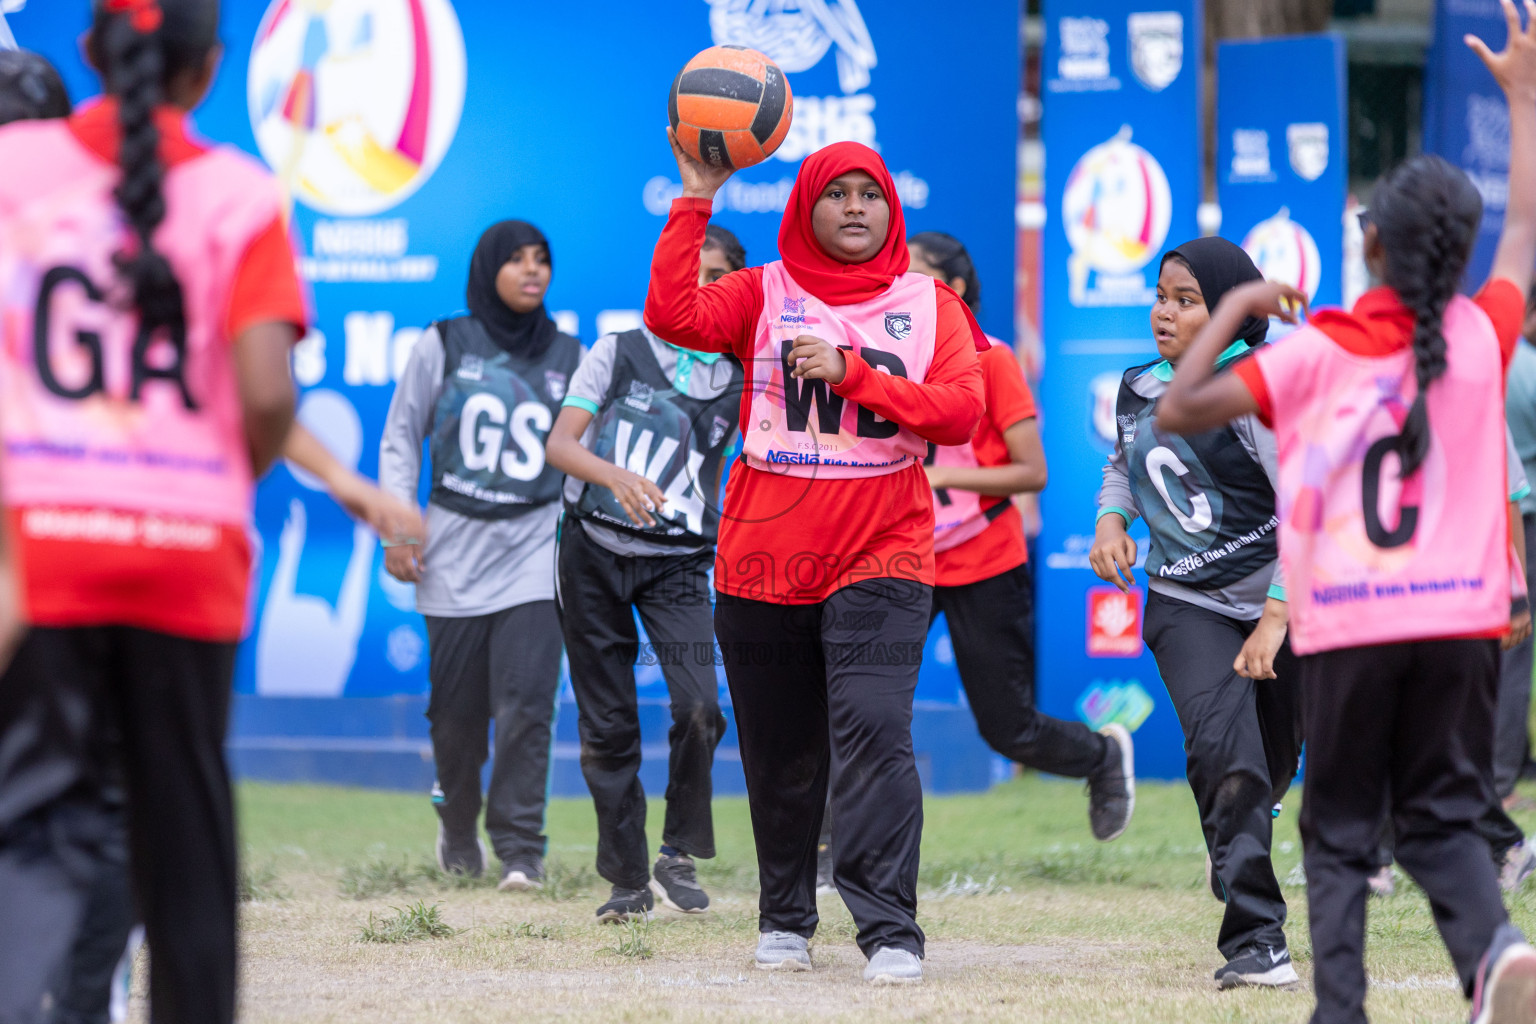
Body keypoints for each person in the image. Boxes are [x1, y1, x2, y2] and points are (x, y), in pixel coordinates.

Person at [1157, 6, 1536, 1019]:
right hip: (1462, 628)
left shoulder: (1312, 351)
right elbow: (1528, 231)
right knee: (1445, 819)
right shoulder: (1485, 333)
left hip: (1355, 630)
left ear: (1368, 244)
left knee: (1337, 833)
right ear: (1457, 258)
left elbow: (1180, 402)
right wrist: (1527, 104)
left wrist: (1237, 307)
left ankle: (1342, 1009)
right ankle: (1494, 949)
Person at [0, 0, 303, 1020]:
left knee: (31, 826)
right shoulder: (240, 191)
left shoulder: (16, 171)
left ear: (88, 52)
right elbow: (266, 395)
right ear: (211, 68)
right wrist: (213, 484)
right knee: (185, 834)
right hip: (188, 552)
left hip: (42, 549)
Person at [645, 135, 985, 985]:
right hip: (765, 556)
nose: (857, 208)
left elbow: (960, 414)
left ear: (892, 209)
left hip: (885, 549)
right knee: (781, 748)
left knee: (875, 730)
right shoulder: (763, 292)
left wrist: (856, 372)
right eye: (838, 194)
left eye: (871, 194)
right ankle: (785, 918)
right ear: (806, 206)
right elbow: (672, 317)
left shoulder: (931, 303)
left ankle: (890, 929)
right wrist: (695, 199)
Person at [1089, 237, 1302, 990]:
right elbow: (1123, 463)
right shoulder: (1140, 387)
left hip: (1282, 602)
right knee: (1226, 757)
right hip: (1186, 603)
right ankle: (1255, 939)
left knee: (1271, 769)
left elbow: (1309, 508)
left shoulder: (1258, 389)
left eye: (1187, 301)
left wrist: (1276, 615)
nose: (1165, 313)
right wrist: (1111, 521)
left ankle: (1237, 839)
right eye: (1160, 296)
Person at [545, 227, 746, 922]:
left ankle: (678, 851)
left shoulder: (739, 377)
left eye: (719, 277)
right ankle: (627, 881)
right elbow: (560, 445)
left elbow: (722, 473)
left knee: (701, 708)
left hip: (680, 564)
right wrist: (613, 475)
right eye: (691, 272)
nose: (701, 286)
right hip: (593, 552)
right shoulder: (619, 350)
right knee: (608, 725)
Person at [909, 230, 1136, 832]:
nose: (901, 287)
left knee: (1006, 727)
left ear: (954, 288)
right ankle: (830, 845)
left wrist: (937, 478)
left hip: (984, 560)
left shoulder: (992, 360)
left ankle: (1102, 755)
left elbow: (1033, 471)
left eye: (917, 275)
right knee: (861, 708)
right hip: (903, 562)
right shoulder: (892, 360)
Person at [380, 220, 579, 891]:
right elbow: (402, 437)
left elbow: (584, 458)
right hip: (453, 553)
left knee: (528, 703)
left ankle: (522, 848)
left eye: (543, 261)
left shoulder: (572, 355)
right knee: (456, 718)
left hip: (533, 551)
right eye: (518, 260)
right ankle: (458, 822)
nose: (533, 272)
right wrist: (399, 528)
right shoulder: (445, 341)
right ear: (488, 268)